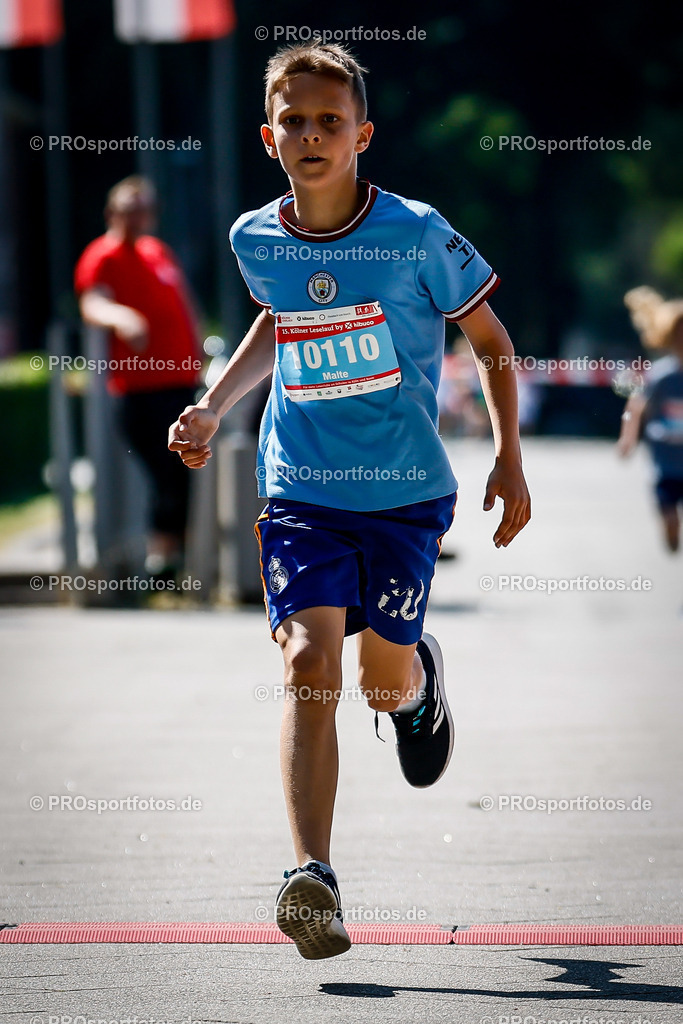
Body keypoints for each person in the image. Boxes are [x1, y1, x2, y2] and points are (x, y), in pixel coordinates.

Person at [168, 41, 531, 960]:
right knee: (308, 666)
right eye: (294, 120)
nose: (311, 134)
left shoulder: (414, 231)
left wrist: (508, 454)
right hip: (300, 490)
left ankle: (417, 691)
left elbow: (487, 336)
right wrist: (214, 406)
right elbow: (278, 319)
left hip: (406, 496)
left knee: (378, 676)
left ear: (363, 135)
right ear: (268, 135)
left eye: (330, 121)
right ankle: (311, 876)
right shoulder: (257, 237)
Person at [75, 176, 203, 577]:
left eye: (144, 210)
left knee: (183, 473)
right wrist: (124, 318)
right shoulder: (103, 255)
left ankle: (176, 560)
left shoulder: (157, 251)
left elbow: (183, 302)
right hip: (141, 390)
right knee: (165, 472)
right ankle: (161, 559)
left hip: (181, 384)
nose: (138, 218)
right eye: (130, 210)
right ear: (113, 212)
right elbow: (92, 302)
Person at [618, 286, 683, 552]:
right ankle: (670, 527)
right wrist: (628, 437)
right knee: (668, 511)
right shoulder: (661, 376)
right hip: (665, 461)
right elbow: (636, 405)